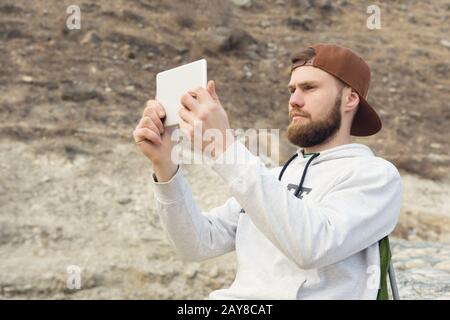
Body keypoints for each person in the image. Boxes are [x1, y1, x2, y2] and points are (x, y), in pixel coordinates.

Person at [133, 43, 402, 299]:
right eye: (292, 89)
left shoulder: (374, 176)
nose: (294, 100)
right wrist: (164, 165)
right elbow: (196, 244)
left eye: (309, 88)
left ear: (350, 98)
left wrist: (224, 147)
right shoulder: (274, 177)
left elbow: (312, 246)